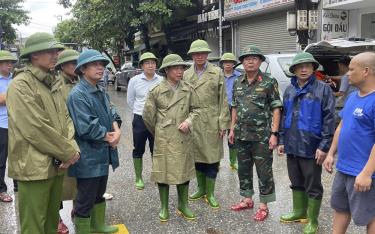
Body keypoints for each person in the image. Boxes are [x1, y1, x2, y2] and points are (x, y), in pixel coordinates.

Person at [6, 32, 80, 234]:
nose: (55, 55)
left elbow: (66, 119)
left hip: (57, 164)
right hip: (33, 167)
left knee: (50, 222)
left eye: (56, 50)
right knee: (34, 226)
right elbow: (35, 128)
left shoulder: (52, 81)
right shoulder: (21, 85)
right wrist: (68, 152)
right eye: (49, 51)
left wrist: (71, 148)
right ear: (33, 55)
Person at [278, 52, 335, 234]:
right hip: (292, 144)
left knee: (313, 184)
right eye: (300, 66)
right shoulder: (289, 89)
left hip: (312, 146)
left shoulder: (322, 89)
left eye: (308, 66)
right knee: (296, 181)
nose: (303, 69)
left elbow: (329, 118)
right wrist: (281, 140)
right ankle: (299, 211)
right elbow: (284, 116)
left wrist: (324, 145)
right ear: (294, 70)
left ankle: (312, 220)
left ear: (313, 69)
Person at [67, 49, 122, 234]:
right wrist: (110, 138)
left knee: (99, 192)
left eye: (102, 65)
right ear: (83, 69)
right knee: (85, 199)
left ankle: (98, 225)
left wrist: (117, 131)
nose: (101, 68)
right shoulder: (78, 94)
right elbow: (86, 127)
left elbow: (112, 111)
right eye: (95, 64)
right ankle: (83, 230)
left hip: (103, 152)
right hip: (88, 156)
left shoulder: (100, 89)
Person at [323, 52, 375, 234]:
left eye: (352, 69)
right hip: (344, 169)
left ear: (366, 71)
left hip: (363, 172)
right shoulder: (353, 97)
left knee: (371, 216)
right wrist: (331, 154)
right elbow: (341, 127)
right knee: (340, 208)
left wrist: (367, 173)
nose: (347, 74)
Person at [228, 45, 282, 221]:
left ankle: (264, 205)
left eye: (254, 58)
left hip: (262, 136)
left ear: (260, 61)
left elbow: (276, 108)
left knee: (264, 171)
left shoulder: (269, 81)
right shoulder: (237, 82)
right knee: (243, 169)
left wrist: (274, 133)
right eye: (246, 58)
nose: (250, 61)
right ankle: (247, 199)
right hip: (241, 134)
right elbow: (234, 107)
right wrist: (231, 129)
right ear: (242, 62)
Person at [143, 54, 198, 222]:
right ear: (166, 70)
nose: (179, 71)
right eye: (175, 68)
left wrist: (188, 121)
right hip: (164, 138)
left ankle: (183, 204)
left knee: (183, 171)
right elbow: (147, 117)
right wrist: (160, 131)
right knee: (163, 173)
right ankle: (164, 207)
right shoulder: (156, 91)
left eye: (181, 68)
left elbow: (196, 110)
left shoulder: (188, 89)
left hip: (183, 137)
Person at [183, 39, 231, 209]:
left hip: (212, 119)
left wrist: (223, 124)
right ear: (192, 55)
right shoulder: (186, 74)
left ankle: (210, 193)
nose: (200, 56)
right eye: (196, 53)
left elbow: (223, 99)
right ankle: (201, 189)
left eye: (203, 53)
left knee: (212, 158)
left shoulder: (216, 72)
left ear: (207, 55)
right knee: (197, 157)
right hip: (193, 119)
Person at [53, 48, 80, 234]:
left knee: (80, 180)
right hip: (62, 139)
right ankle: (56, 218)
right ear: (62, 65)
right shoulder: (55, 84)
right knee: (57, 184)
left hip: (80, 138)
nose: (77, 66)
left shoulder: (79, 81)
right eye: (73, 63)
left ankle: (78, 211)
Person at [127, 52, 162, 190]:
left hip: (156, 119)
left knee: (156, 148)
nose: (150, 65)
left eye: (152, 63)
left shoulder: (161, 80)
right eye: (147, 63)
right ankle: (138, 177)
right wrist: (140, 112)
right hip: (139, 119)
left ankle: (157, 175)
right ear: (142, 65)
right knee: (138, 148)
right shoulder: (134, 81)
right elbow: (130, 100)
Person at [0, 50, 17, 203]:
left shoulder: (14, 80)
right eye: (7, 62)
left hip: (17, 125)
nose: (10, 65)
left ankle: (19, 186)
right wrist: (16, 95)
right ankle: (1, 190)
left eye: (11, 62)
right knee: (1, 159)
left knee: (18, 156)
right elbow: (1, 100)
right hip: (2, 125)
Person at [220, 52, 241, 171]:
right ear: (222, 64)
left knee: (232, 135)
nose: (228, 64)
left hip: (234, 108)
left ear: (234, 64)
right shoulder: (218, 76)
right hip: (220, 109)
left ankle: (233, 162)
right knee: (217, 136)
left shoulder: (239, 76)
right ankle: (215, 161)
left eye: (230, 62)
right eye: (225, 62)